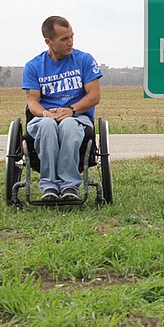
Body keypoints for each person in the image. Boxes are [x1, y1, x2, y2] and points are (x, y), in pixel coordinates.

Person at [22, 16, 103, 201]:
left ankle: (69, 187)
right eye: (64, 39)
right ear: (48, 42)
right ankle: (49, 187)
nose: (70, 42)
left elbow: (94, 96)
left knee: (68, 125)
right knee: (48, 126)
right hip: (44, 117)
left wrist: (71, 110)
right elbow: (32, 100)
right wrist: (45, 113)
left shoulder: (84, 60)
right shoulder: (34, 66)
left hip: (77, 117)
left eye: (72, 36)